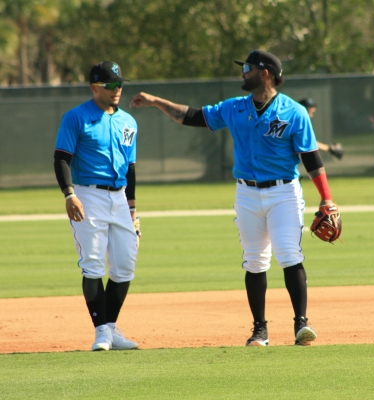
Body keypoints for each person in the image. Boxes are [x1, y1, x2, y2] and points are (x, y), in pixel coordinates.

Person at [129, 49, 338, 347]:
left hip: (283, 193)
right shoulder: (235, 107)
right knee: (254, 261)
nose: (243, 73)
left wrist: (326, 198)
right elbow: (192, 116)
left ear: (265, 73)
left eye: (248, 68)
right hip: (247, 193)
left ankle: (301, 325)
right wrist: (155, 101)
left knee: (289, 254)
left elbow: (312, 160)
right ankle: (260, 330)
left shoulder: (294, 112)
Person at [54, 61, 140, 351]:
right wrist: (69, 194)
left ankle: (111, 328)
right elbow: (62, 158)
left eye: (119, 84)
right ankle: (101, 330)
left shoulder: (129, 121)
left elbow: (130, 168)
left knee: (126, 264)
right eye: (110, 85)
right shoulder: (76, 117)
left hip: (119, 196)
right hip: (87, 194)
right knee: (92, 264)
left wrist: (132, 208)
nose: (117, 90)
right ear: (94, 87)